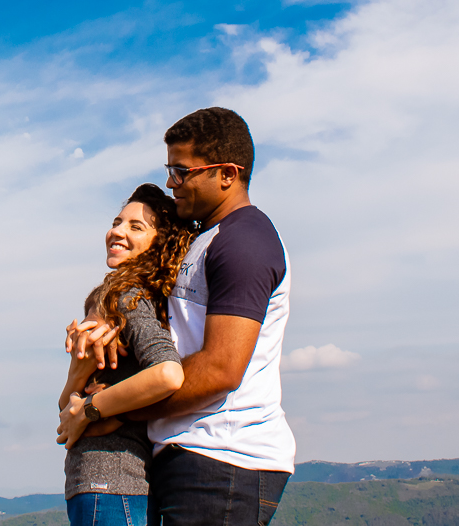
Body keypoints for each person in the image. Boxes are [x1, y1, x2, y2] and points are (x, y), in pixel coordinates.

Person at [70, 107, 295, 526]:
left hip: (224, 458)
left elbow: (220, 368)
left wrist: (108, 409)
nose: (171, 182)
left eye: (182, 170)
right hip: (189, 453)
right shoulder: (204, 239)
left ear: (227, 173)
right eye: (170, 169)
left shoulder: (244, 241)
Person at [55, 184, 197, 526]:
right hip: (104, 483)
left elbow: (167, 373)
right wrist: (79, 371)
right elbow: (66, 416)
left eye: (136, 226)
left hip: (111, 481)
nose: (117, 231)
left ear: (158, 244)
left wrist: (90, 408)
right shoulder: (118, 296)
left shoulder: (127, 296)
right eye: (118, 221)